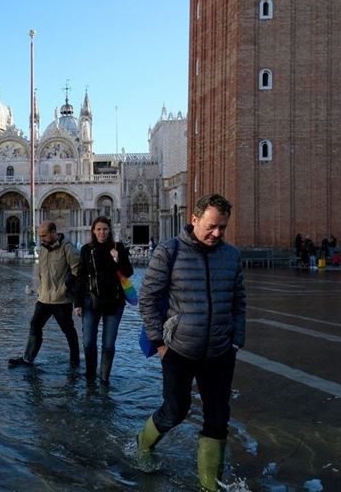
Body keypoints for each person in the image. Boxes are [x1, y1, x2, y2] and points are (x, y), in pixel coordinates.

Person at [136, 193, 246, 492]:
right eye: (211, 226)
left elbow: (239, 299)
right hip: (179, 350)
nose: (217, 233)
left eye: (222, 227)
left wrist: (237, 339)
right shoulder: (168, 251)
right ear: (194, 219)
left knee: (218, 417)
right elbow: (146, 298)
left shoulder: (231, 255)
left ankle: (209, 486)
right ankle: (143, 444)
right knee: (175, 411)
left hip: (221, 351)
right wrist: (160, 343)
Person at [8, 221, 81, 368]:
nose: (41, 238)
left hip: (61, 300)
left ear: (54, 232)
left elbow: (77, 270)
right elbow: (42, 272)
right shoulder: (42, 249)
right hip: (43, 299)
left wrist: (66, 287)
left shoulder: (67, 247)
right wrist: (41, 290)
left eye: (44, 235)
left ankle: (75, 362)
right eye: (40, 235)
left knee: (68, 331)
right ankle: (27, 359)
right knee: (35, 325)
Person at [74, 216, 134, 384]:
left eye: (105, 229)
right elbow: (80, 278)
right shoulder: (87, 250)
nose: (102, 232)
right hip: (91, 301)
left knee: (108, 344)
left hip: (114, 302)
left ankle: (104, 378)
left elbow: (129, 272)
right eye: (99, 229)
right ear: (93, 231)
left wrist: (118, 259)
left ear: (110, 231)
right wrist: (77, 303)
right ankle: (90, 374)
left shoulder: (119, 248)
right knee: (87, 342)